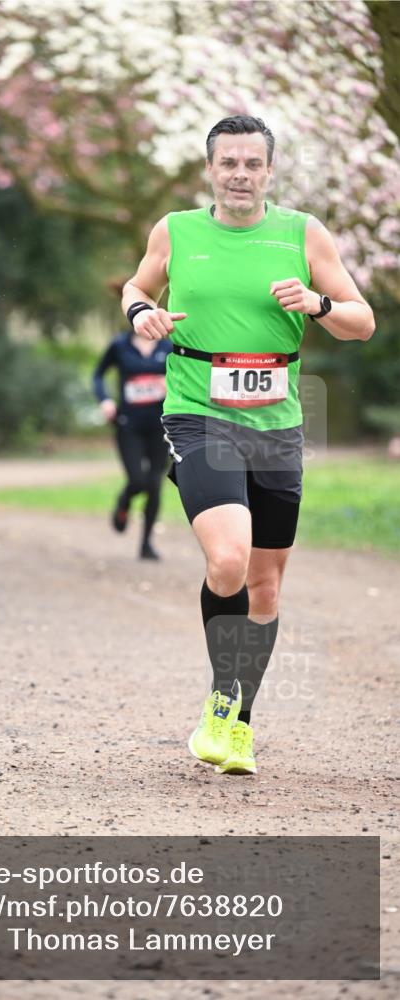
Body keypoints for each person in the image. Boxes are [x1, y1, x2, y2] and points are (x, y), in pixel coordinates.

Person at [122, 115, 374, 775]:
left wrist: (316, 303)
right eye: (226, 162)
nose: (238, 174)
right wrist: (138, 314)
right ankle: (220, 697)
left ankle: (237, 723)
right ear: (208, 169)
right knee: (229, 559)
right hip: (197, 413)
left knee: (263, 587)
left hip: (276, 428)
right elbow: (136, 286)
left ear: (268, 170)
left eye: (250, 163)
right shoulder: (175, 230)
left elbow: (361, 322)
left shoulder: (301, 233)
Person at [92, 285, 172, 560]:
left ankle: (146, 543)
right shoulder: (120, 345)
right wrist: (105, 400)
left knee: (154, 483)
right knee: (137, 480)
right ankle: (124, 500)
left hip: (162, 425)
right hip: (129, 424)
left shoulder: (169, 345)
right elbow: (98, 375)